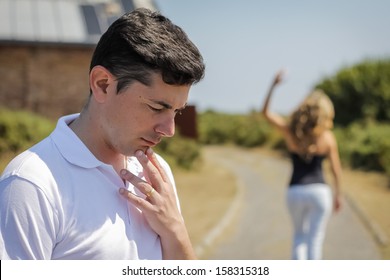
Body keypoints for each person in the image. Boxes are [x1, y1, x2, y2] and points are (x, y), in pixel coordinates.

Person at [0, 8, 205, 260]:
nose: (169, 130)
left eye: (176, 111)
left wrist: (175, 231)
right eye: (156, 107)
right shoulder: (31, 184)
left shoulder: (156, 172)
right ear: (102, 84)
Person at [261, 69, 342, 260]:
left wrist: (273, 85)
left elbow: (265, 112)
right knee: (315, 240)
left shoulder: (291, 132)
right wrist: (339, 195)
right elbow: (336, 170)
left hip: (295, 191)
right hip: (320, 193)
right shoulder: (328, 137)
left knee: (299, 238)